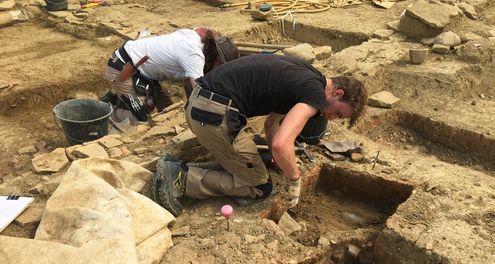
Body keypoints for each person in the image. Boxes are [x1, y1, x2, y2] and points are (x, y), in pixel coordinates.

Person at [151, 54, 368, 216]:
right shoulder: (315, 95)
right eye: (338, 113)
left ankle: (178, 169)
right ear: (337, 93)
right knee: (259, 186)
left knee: (253, 163)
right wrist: (294, 177)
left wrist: (278, 161)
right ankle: (182, 179)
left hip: (202, 105)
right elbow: (282, 144)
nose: (331, 118)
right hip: (214, 115)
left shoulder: (308, 76)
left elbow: (271, 123)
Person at [103, 28, 239, 124]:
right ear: (216, 57)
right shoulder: (194, 55)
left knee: (166, 111)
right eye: (220, 65)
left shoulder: (196, 39)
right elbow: (200, 92)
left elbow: (189, 84)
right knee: (147, 121)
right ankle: (110, 109)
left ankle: (123, 98)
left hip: (144, 72)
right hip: (123, 68)